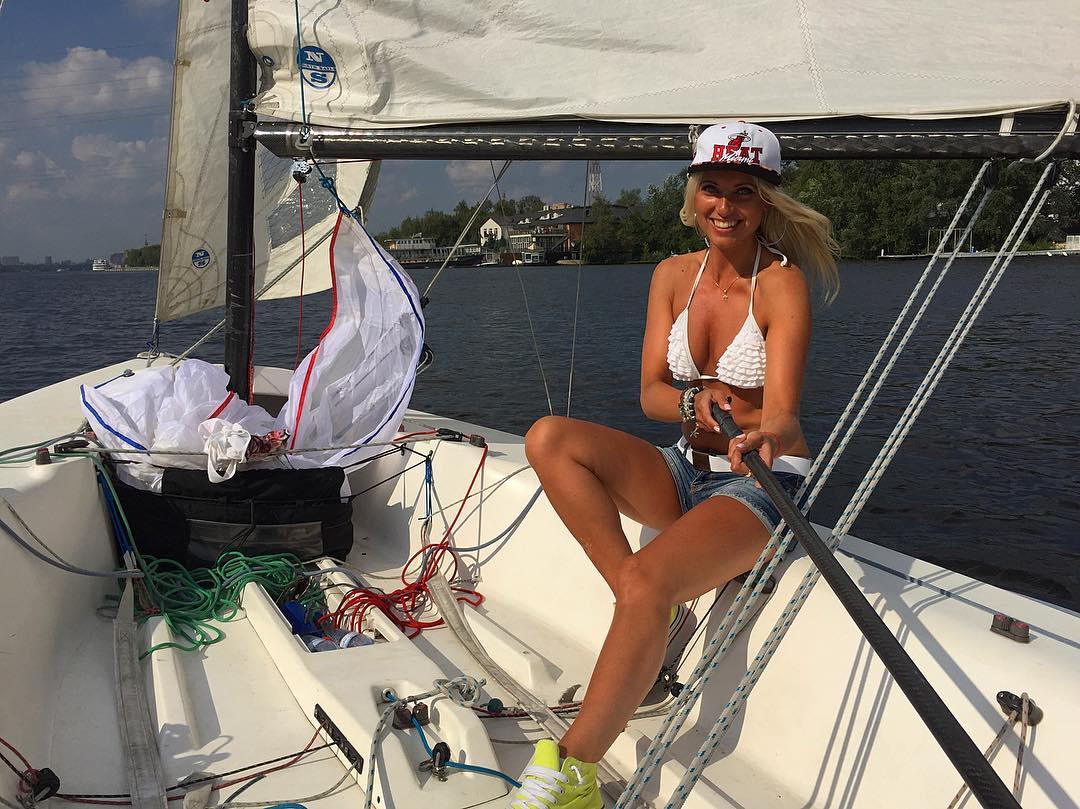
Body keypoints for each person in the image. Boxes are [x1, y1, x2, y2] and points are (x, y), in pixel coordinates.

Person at [507, 122, 840, 809]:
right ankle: (647, 613)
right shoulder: (670, 276)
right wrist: (694, 399)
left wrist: (764, 432)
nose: (726, 206)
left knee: (647, 581)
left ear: (767, 202)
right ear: (693, 195)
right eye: (712, 188)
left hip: (761, 483)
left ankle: (572, 772)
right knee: (548, 439)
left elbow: (782, 412)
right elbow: (652, 394)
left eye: (744, 192)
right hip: (686, 467)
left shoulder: (782, 284)